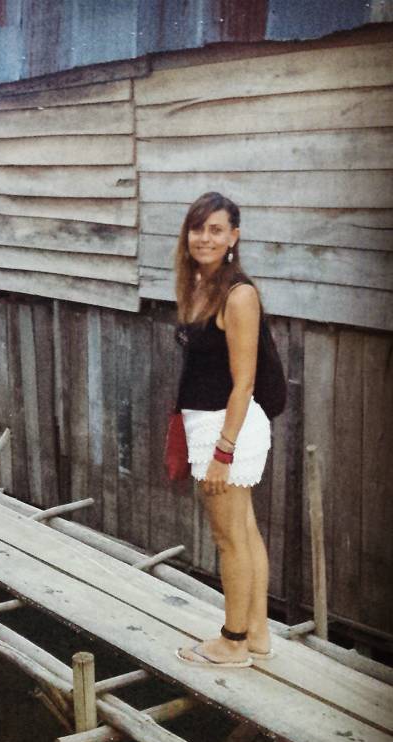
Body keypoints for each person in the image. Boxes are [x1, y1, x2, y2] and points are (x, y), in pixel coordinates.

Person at [173, 192, 272, 669]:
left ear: (234, 236)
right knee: (244, 531)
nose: (204, 238)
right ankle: (257, 633)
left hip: (226, 428)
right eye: (197, 228)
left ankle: (232, 643)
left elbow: (244, 382)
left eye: (215, 230)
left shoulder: (239, 295)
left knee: (228, 539)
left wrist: (223, 453)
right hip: (210, 424)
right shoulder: (201, 286)